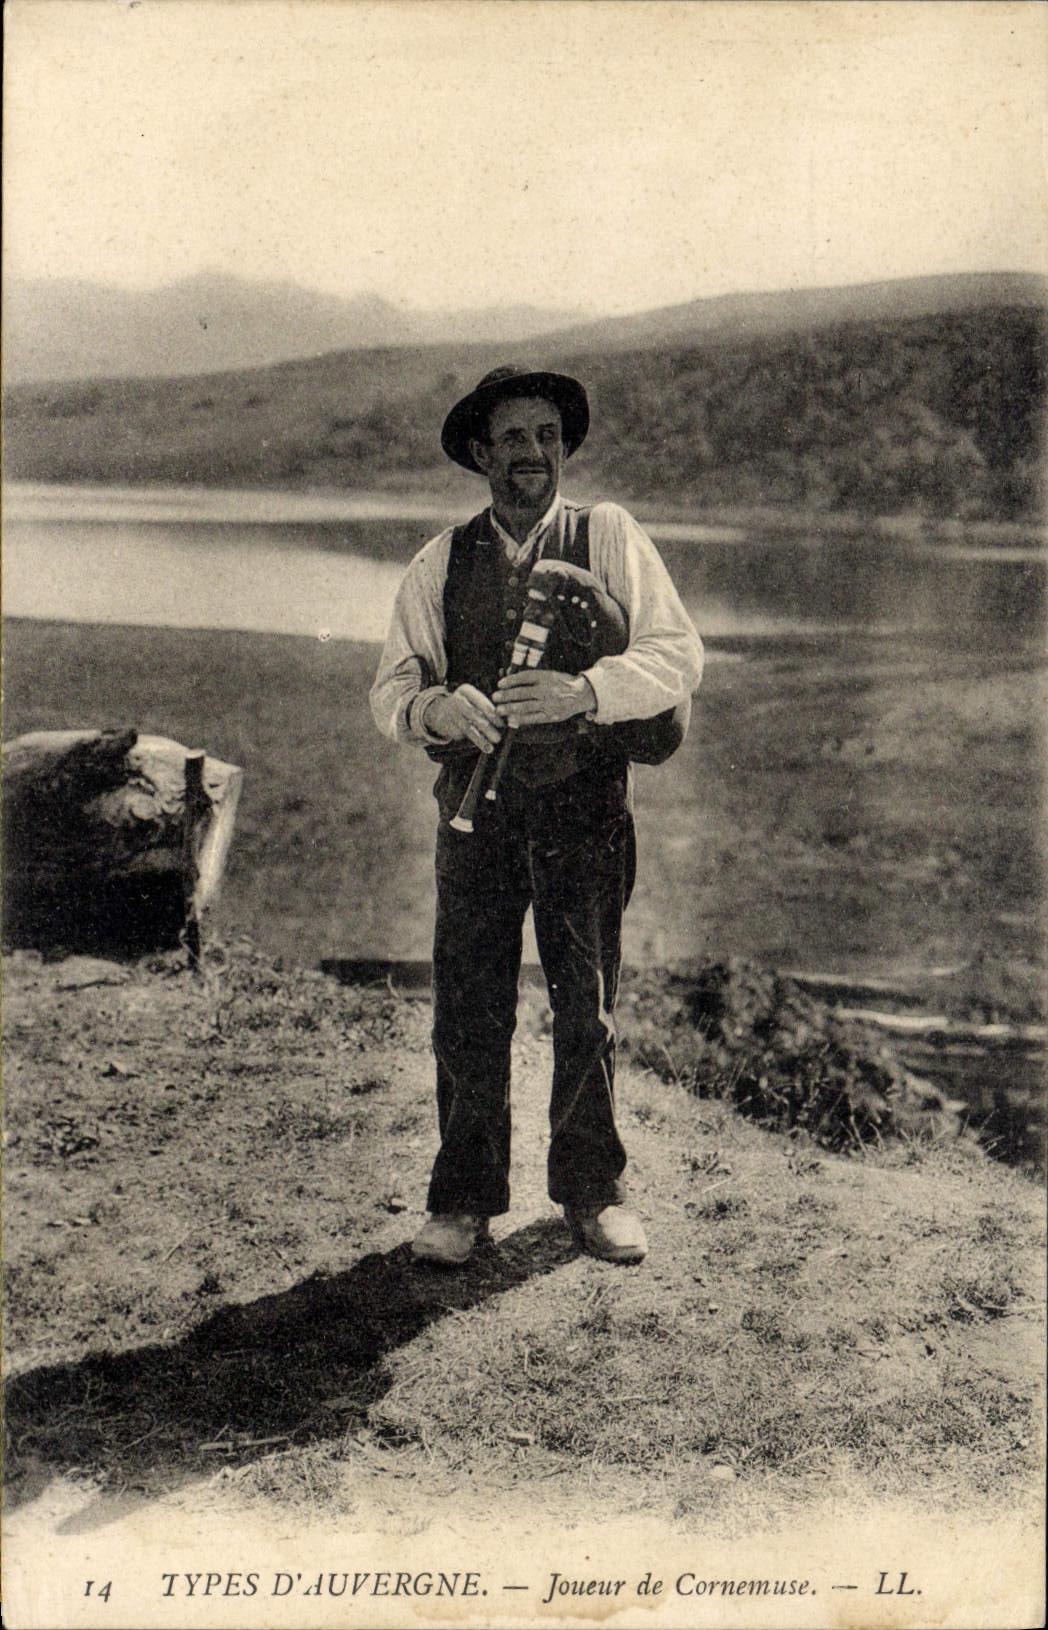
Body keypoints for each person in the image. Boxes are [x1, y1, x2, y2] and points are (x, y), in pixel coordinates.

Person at [370, 366, 704, 1267]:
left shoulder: (610, 535)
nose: (534, 454)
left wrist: (583, 691)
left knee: (585, 1008)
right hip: (474, 822)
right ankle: (463, 1202)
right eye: (513, 438)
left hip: (584, 816)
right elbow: (394, 687)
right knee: (470, 1006)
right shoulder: (439, 560)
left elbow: (678, 656)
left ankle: (593, 1195)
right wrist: (438, 711)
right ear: (480, 453)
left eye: (548, 436)